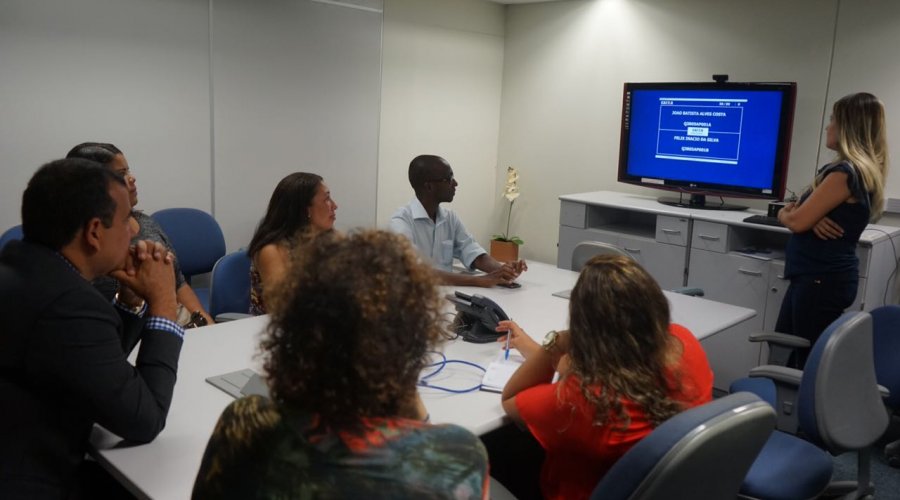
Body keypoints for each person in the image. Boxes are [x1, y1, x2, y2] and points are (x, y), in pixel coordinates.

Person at [192, 230, 489, 499]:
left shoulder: (244, 424)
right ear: (414, 339)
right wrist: (404, 376)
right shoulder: (456, 457)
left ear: (294, 331)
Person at [0, 159, 184, 498]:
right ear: (94, 232)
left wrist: (129, 301)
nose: (134, 231)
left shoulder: (21, 266)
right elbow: (145, 419)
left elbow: (92, 367)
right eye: (127, 219)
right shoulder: (68, 304)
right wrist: (164, 303)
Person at [494, 255, 713, 499]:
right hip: (673, 488)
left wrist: (556, 342)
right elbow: (622, 362)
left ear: (583, 329)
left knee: (500, 444)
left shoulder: (583, 399)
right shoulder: (684, 343)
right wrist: (539, 349)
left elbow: (512, 399)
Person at [776, 92, 888, 367]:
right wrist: (803, 216)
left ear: (848, 127)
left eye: (833, 120)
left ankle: (797, 397)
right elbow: (797, 212)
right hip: (815, 276)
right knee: (785, 347)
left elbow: (796, 220)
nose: (828, 126)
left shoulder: (844, 174)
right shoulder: (852, 170)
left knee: (804, 359)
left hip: (820, 279)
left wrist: (796, 216)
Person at [66, 142, 214, 326]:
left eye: (128, 171)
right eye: (121, 174)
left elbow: (178, 283)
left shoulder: (145, 222)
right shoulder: (91, 248)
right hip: (144, 333)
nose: (132, 178)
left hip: (180, 328)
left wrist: (207, 325)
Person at [390, 154, 527, 287]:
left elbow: (473, 252)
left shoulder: (450, 218)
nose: (455, 183)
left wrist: (503, 270)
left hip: (447, 295)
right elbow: (416, 271)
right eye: (449, 179)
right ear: (429, 186)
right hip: (416, 298)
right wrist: (479, 280)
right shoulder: (401, 222)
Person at [246, 172, 337, 315]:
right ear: (306, 210)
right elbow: (283, 308)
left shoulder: (328, 239)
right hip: (277, 325)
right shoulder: (271, 250)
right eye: (327, 199)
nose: (335, 206)